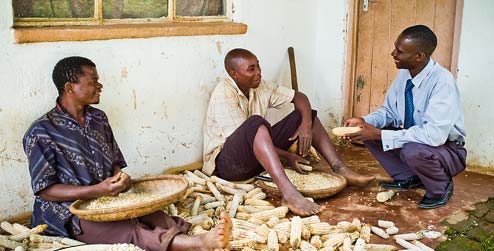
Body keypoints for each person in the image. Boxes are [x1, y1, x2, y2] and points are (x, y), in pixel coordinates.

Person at [23, 56, 232, 251]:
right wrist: (96, 190)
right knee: (128, 231)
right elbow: (45, 190)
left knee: (153, 215)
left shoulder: (98, 118)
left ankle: (186, 238)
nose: (100, 86)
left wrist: (119, 178)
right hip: (67, 212)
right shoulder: (41, 132)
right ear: (70, 87)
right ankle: (198, 243)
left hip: (105, 199)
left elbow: (114, 162)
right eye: (93, 81)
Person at [203, 48, 375, 216]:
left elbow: (300, 97)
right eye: (251, 69)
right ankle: (289, 193)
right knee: (255, 123)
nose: (258, 73)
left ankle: (340, 168)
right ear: (234, 74)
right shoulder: (224, 93)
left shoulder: (259, 86)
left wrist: (306, 126)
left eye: (258, 66)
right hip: (228, 166)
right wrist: (287, 155)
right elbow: (246, 140)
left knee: (304, 115)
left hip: (255, 160)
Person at [343, 25, 467, 209]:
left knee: (411, 150)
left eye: (399, 51)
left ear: (419, 56)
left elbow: (434, 136)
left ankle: (441, 187)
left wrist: (378, 134)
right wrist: (363, 122)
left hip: (447, 149)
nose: (393, 54)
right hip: (418, 141)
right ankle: (410, 177)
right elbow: (389, 112)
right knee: (366, 133)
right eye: (395, 48)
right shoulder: (404, 74)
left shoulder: (443, 83)